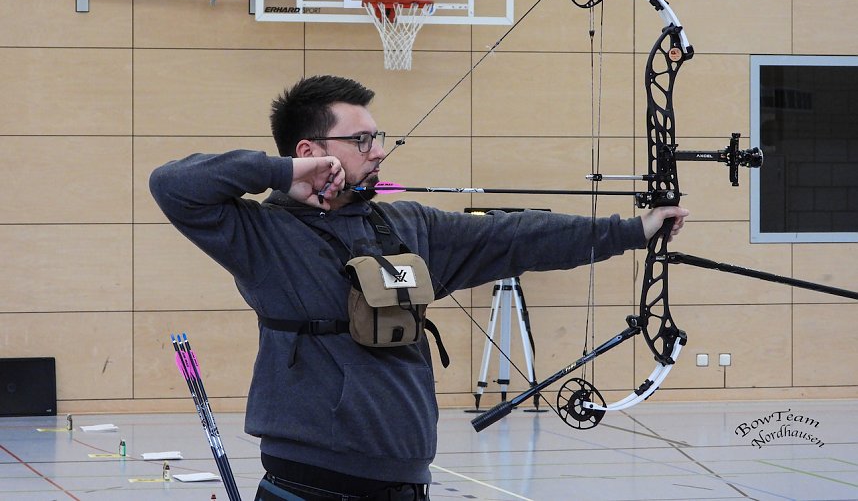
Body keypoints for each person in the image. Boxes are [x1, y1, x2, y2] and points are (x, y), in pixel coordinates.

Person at [149, 75, 688, 501]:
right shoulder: (262, 235)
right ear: (311, 148)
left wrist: (630, 231)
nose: (378, 150)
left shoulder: (408, 227)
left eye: (378, 137)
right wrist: (280, 170)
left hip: (407, 478)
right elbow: (172, 184)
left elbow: (516, 236)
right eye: (361, 140)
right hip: (309, 482)